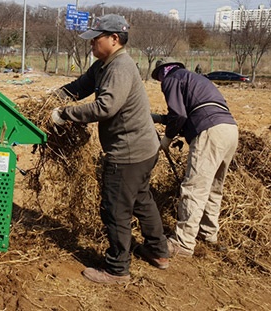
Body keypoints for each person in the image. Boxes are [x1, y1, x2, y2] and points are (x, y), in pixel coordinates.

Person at [50, 14, 169, 284]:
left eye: (96, 38)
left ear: (114, 39)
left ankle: (117, 269)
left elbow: (106, 107)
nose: (91, 43)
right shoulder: (104, 64)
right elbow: (79, 87)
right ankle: (158, 251)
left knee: (115, 209)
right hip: (143, 147)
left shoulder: (120, 67)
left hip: (128, 152)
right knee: (141, 199)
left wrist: (65, 115)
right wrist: (51, 100)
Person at [150, 59, 239, 257]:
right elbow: (193, 110)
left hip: (209, 131)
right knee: (214, 187)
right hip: (229, 129)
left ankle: (184, 242)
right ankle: (208, 234)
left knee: (194, 187)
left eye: (158, 79)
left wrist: (167, 138)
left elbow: (179, 115)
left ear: (162, 73)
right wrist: (160, 118)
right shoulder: (193, 78)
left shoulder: (171, 79)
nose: (160, 83)